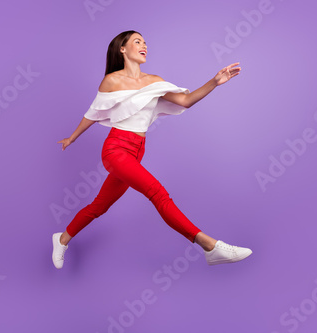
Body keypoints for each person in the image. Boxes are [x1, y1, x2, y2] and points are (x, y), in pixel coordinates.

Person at [52, 30, 252, 269]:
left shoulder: (155, 81)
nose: (144, 45)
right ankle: (210, 246)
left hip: (137, 151)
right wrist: (72, 138)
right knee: (158, 193)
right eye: (137, 41)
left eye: (145, 42)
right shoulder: (112, 81)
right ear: (122, 49)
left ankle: (62, 239)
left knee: (99, 206)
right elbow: (93, 113)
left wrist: (214, 82)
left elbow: (185, 101)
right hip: (116, 149)